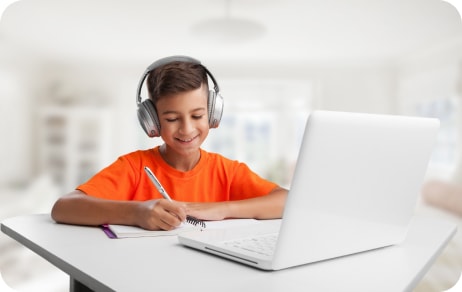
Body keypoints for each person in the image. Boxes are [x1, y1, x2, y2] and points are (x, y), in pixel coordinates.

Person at [51, 56, 288, 231]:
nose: (187, 129)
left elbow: (286, 201)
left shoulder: (227, 171)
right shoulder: (135, 167)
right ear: (151, 121)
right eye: (172, 119)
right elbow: (64, 207)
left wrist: (221, 209)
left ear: (213, 114)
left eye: (197, 116)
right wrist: (136, 212)